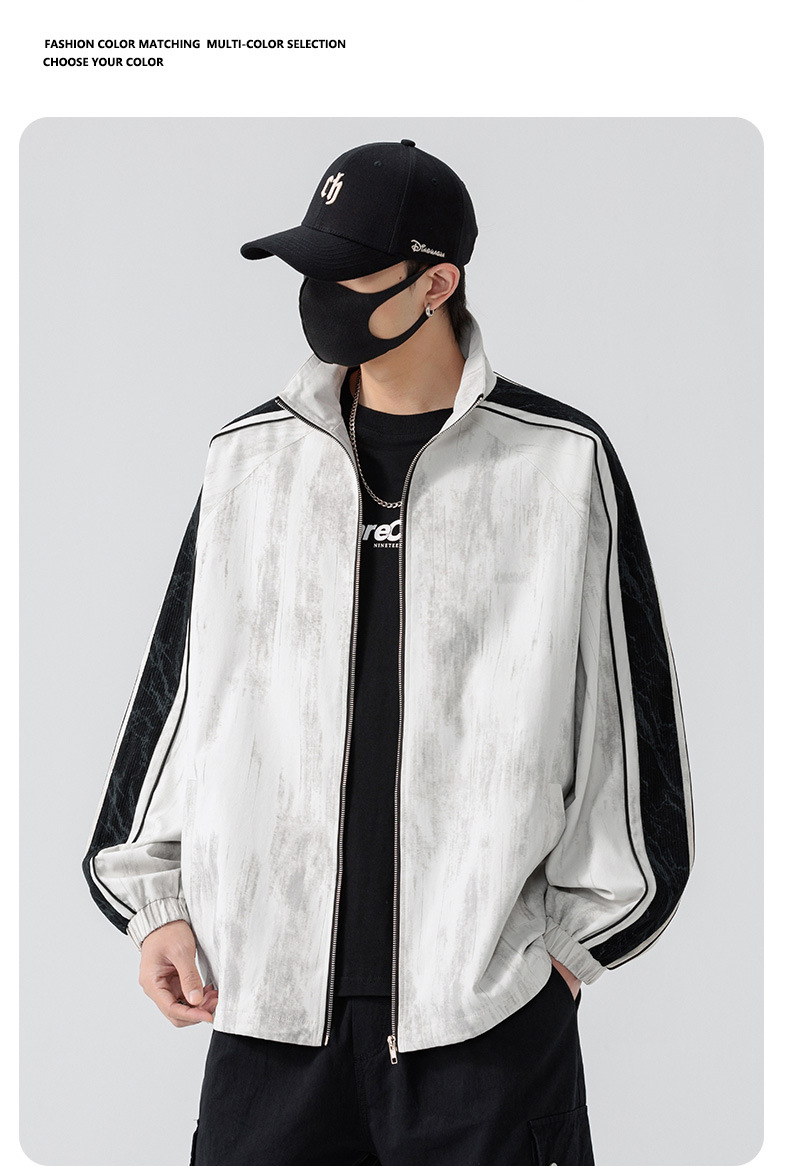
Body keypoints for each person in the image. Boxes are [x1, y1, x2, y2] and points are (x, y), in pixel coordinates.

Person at [82, 138, 695, 1166]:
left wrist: (557, 958)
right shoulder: (249, 461)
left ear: (437, 283)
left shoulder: (558, 464)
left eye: (347, 273)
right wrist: (159, 907)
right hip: (267, 1020)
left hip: (484, 1031)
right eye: (309, 271)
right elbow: (181, 698)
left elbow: (632, 738)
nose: (319, 298)